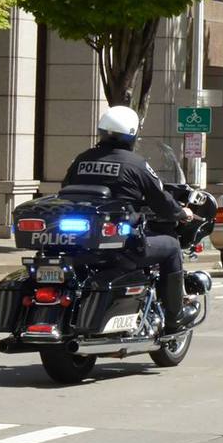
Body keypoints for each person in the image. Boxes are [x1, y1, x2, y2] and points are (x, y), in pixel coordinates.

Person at [62, 106, 196, 333]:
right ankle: (175, 317)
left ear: (102, 132)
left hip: (80, 244)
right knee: (172, 246)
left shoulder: (81, 161)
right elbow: (161, 201)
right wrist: (182, 213)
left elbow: (66, 189)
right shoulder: (135, 164)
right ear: (132, 135)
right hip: (121, 244)